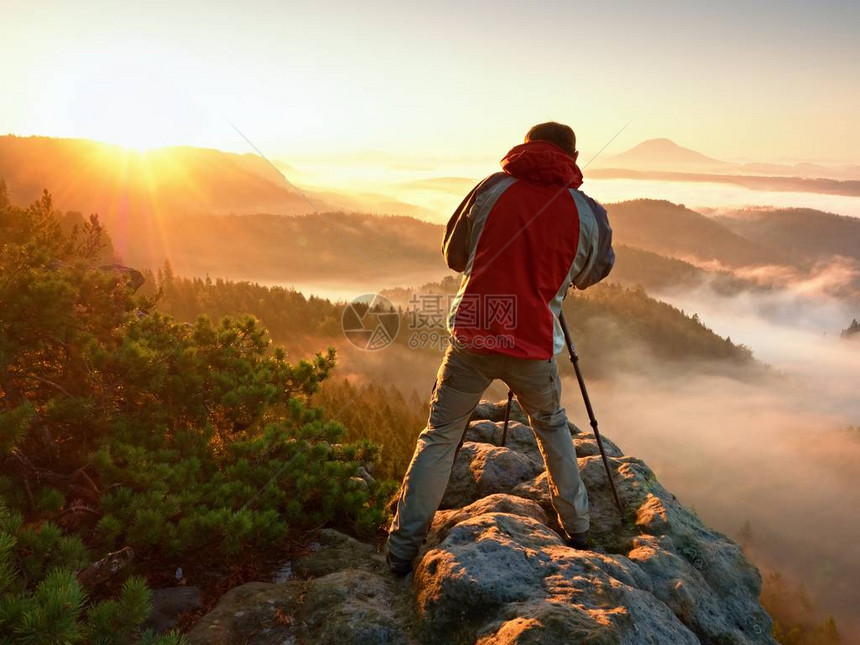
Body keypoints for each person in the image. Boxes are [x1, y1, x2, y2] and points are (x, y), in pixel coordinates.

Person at [385, 122, 615, 575]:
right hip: (533, 343)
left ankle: (401, 550)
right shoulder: (587, 212)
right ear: (572, 155)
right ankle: (579, 527)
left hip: (472, 332)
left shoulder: (492, 188)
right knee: (551, 427)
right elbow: (592, 273)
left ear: (526, 148)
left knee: (439, 436)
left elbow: (454, 254)